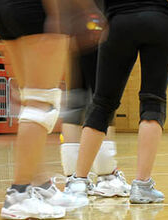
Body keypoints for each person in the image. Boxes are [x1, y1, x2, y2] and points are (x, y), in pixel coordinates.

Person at [67, 0, 168, 204]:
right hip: (160, 21)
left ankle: (78, 182)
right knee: (153, 101)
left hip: (119, 22)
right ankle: (142, 186)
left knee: (102, 103)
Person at [0, 0, 90, 220]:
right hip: (39, 10)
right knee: (42, 102)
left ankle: (41, 185)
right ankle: (19, 194)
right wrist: (62, 15)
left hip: (4, 9)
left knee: (31, 100)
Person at [59, 2, 131, 199]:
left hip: (75, 27)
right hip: (96, 23)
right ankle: (107, 177)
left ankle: (73, 178)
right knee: (104, 100)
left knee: (76, 98)